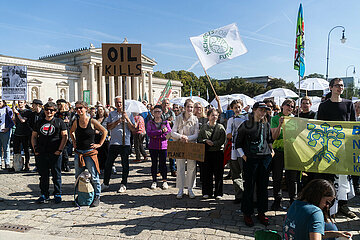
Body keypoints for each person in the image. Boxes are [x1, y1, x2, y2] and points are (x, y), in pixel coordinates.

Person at [317, 78, 356, 219]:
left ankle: (343, 205)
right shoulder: (324, 106)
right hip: (328, 147)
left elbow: (352, 126)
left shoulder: (349, 104)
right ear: (331, 88)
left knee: (344, 177)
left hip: (344, 147)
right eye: (337, 85)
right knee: (329, 176)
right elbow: (320, 127)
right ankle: (328, 205)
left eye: (342, 85)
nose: (340, 88)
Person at [235, 102, 274, 227]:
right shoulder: (245, 125)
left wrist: (271, 152)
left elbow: (269, 140)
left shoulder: (266, 124)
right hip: (251, 160)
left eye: (265, 110)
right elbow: (238, 143)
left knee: (263, 187)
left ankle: (261, 212)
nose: (263, 113)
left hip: (265, 159)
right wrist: (244, 156)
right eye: (261, 110)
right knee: (249, 187)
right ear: (254, 110)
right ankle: (247, 213)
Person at [283, 179, 352, 240]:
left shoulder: (295, 204)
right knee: (330, 226)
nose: (327, 206)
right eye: (327, 202)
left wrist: (335, 234)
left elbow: (306, 234)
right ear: (318, 195)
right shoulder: (315, 212)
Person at [69, 101, 107, 207]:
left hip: (90, 153)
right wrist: (74, 142)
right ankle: (80, 196)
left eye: (81, 108)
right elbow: (71, 131)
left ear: (86, 108)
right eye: (76, 108)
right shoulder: (76, 121)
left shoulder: (92, 121)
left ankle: (97, 196)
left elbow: (104, 131)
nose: (79, 110)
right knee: (78, 176)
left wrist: (99, 144)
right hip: (79, 153)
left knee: (94, 176)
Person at [31, 102, 68, 203]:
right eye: (47, 109)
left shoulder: (59, 122)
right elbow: (34, 136)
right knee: (43, 175)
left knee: (56, 174)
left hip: (55, 152)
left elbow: (64, 136)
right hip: (42, 152)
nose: (49, 112)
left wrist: (59, 150)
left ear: (55, 111)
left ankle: (57, 193)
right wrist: (35, 149)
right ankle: (44, 194)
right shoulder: (39, 122)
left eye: (51, 110)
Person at [101, 97, 136, 193]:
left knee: (125, 164)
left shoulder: (129, 114)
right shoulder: (112, 114)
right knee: (108, 163)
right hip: (114, 142)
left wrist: (127, 119)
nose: (119, 104)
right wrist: (118, 121)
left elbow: (133, 129)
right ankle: (106, 183)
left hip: (125, 143)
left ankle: (123, 183)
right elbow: (108, 127)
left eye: (120, 102)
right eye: (117, 103)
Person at [271, 99, 297, 210]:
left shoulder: (295, 120)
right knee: (277, 177)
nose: (290, 107)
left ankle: (293, 201)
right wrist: (280, 125)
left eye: (292, 106)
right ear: (282, 106)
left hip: (291, 151)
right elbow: (274, 136)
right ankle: (277, 200)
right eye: (288, 105)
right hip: (278, 151)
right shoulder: (275, 118)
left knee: (292, 178)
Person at [171, 99, 199, 199]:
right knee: (180, 167)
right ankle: (180, 189)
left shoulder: (195, 119)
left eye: (191, 107)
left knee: (191, 167)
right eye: (188, 106)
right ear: (184, 107)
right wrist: (181, 137)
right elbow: (173, 132)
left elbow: (196, 134)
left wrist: (188, 138)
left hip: (191, 145)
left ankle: (190, 188)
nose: (190, 109)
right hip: (180, 145)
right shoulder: (178, 118)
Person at [198, 108, 226, 199]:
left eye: (216, 115)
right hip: (207, 153)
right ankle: (207, 192)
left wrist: (214, 143)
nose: (214, 117)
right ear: (208, 116)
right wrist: (206, 140)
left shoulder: (220, 127)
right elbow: (199, 139)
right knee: (207, 174)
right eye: (212, 115)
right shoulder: (204, 127)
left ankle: (218, 193)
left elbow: (223, 140)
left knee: (218, 174)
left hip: (217, 152)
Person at [225, 99, 248, 204]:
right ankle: (239, 195)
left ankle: (248, 195)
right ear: (232, 109)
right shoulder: (231, 120)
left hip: (244, 150)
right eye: (235, 107)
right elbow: (228, 134)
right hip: (234, 150)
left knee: (246, 174)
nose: (238, 109)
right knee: (236, 174)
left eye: (239, 107)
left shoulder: (247, 118)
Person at [147, 105, 171, 189]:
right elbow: (149, 133)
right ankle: (154, 180)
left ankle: (164, 180)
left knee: (163, 164)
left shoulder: (165, 122)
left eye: (159, 111)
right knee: (154, 164)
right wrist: (160, 132)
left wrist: (157, 135)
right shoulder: (150, 122)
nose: (157, 113)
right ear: (153, 113)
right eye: (155, 111)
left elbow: (168, 133)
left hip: (163, 146)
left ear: (161, 112)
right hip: (153, 146)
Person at [12, 100, 32, 171]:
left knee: (26, 149)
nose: (19, 104)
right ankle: (17, 164)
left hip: (25, 133)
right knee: (16, 150)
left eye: (21, 102)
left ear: (24, 103)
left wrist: (17, 113)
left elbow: (23, 120)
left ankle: (27, 164)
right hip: (17, 132)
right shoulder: (17, 111)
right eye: (19, 102)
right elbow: (15, 121)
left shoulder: (27, 112)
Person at [55, 99, 72, 172]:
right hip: (57, 134)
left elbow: (67, 123)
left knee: (64, 151)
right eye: (57, 104)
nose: (58, 106)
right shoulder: (56, 113)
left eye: (60, 104)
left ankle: (66, 165)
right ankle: (60, 165)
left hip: (65, 133)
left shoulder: (68, 113)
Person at [161, 99, 177, 177]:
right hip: (162, 135)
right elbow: (159, 122)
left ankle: (173, 169)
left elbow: (174, 122)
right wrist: (167, 122)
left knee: (172, 153)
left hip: (170, 134)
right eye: (164, 103)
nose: (165, 105)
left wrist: (168, 122)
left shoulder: (171, 113)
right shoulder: (160, 112)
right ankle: (161, 170)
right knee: (162, 153)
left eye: (167, 103)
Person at [95, 105, 109, 171]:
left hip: (105, 138)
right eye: (98, 110)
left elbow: (108, 129)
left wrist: (100, 132)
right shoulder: (95, 119)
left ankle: (106, 167)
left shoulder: (107, 119)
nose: (100, 111)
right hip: (96, 138)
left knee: (105, 154)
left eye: (101, 110)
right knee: (98, 154)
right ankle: (99, 167)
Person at [0, 100, 14, 170]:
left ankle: (7, 163)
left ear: (3, 102)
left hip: (5, 131)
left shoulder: (7, 109)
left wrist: (7, 128)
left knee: (6, 147)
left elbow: (12, 121)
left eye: (0, 101)